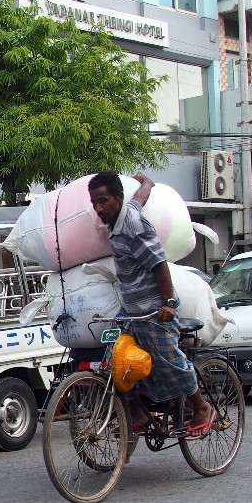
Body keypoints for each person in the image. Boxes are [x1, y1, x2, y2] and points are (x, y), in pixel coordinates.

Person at [87, 171, 214, 437]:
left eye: (103, 201)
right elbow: (139, 198)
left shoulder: (134, 226)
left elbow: (159, 264)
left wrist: (168, 303)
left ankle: (201, 407)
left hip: (156, 310)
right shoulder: (122, 214)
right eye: (95, 202)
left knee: (168, 362)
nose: (99, 208)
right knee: (116, 361)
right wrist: (147, 182)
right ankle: (137, 412)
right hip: (132, 310)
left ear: (117, 199)